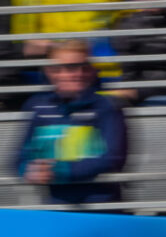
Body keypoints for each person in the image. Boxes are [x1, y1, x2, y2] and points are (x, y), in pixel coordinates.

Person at [14, 40, 129, 205]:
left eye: (85, 67)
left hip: (102, 207)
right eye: (70, 68)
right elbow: (19, 157)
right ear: (51, 72)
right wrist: (29, 169)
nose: (79, 74)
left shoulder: (108, 107)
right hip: (55, 206)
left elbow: (113, 158)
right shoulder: (38, 107)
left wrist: (60, 171)